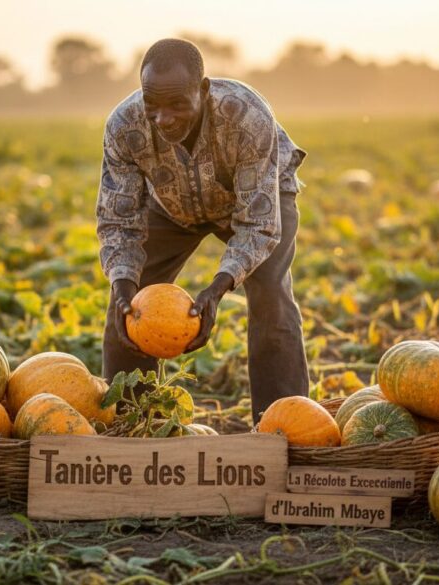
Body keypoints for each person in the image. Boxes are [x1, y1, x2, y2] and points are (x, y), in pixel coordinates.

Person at [96, 38, 309, 423]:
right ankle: (133, 425)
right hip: (170, 204)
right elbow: (118, 220)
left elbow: (258, 225)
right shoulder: (124, 126)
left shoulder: (246, 117)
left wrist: (217, 288)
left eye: (178, 104)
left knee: (271, 297)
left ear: (204, 90)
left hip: (256, 200)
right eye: (153, 106)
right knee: (131, 306)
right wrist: (122, 281)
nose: (164, 118)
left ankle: (284, 427)